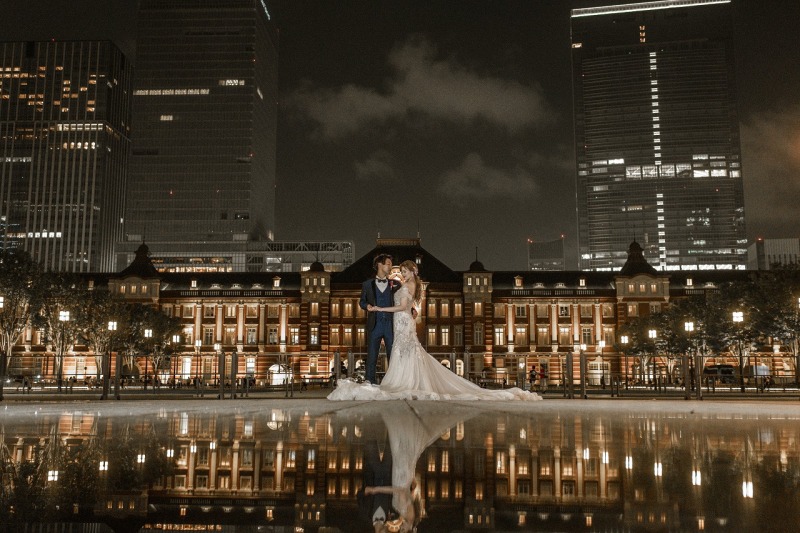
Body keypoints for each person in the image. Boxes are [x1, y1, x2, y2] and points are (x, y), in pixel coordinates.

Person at [329, 260, 541, 401]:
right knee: (403, 353)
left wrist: (383, 308)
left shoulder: (406, 286)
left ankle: (404, 383)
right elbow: (405, 301)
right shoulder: (399, 285)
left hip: (401, 321)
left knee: (405, 352)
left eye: (404, 271)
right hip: (401, 324)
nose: (402, 274)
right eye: (400, 271)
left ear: (413, 271)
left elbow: (403, 305)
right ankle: (402, 382)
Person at [361, 253, 397, 384]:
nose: (390, 267)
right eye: (388, 264)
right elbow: (362, 302)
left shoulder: (396, 283)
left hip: (390, 325)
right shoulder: (367, 284)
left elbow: (403, 299)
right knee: (372, 356)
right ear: (379, 265)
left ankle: (394, 382)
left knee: (393, 355)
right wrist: (367, 306)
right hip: (374, 324)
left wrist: (412, 309)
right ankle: (370, 382)